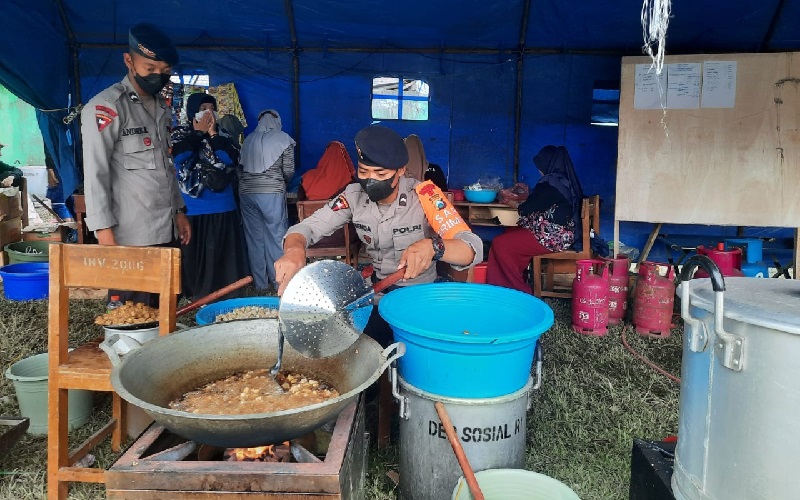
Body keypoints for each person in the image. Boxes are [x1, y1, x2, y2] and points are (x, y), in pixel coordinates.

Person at [274, 125, 483, 347]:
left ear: (401, 170)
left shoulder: (426, 195)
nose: (370, 181)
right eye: (363, 172)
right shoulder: (353, 196)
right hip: (377, 296)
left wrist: (434, 246)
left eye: (381, 174)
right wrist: (295, 250)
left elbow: (472, 247)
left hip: (419, 299)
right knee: (361, 352)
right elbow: (307, 228)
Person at [80, 23, 190, 306]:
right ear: (129, 61)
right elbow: (95, 173)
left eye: (164, 72)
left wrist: (179, 211)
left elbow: (167, 166)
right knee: (130, 317)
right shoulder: (106, 107)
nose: (157, 77)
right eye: (150, 69)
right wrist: (103, 233)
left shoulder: (161, 109)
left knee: (165, 310)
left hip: (165, 230)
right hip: (131, 235)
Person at [171, 92, 249, 301]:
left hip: (222, 206)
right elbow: (179, 157)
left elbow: (230, 160)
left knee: (222, 255)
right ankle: (196, 294)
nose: (208, 112)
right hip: (193, 208)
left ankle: (225, 294)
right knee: (195, 255)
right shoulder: (180, 134)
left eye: (211, 107)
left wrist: (213, 134)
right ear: (191, 112)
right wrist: (197, 134)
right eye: (203, 107)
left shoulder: (223, 136)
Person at [487, 145, 584, 293]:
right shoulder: (562, 181)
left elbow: (527, 209)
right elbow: (538, 202)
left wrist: (514, 204)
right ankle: (513, 281)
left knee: (501, 244)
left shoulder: (550, 182)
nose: (539, 170)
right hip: (562, 234)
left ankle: (517, 291)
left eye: (540, 165)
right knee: (508, 234)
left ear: (547, 163)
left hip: (553, 237)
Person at [239, 109, 296, 292]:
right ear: (277, 121)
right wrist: (282, 183)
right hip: (271, 193)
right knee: (277, 236)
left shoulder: (248, 140)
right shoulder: (284, 139)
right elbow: (288, 170)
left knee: (254, 238)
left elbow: (239, 168)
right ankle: (279, 280)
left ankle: (260, 283)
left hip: (247, 193)